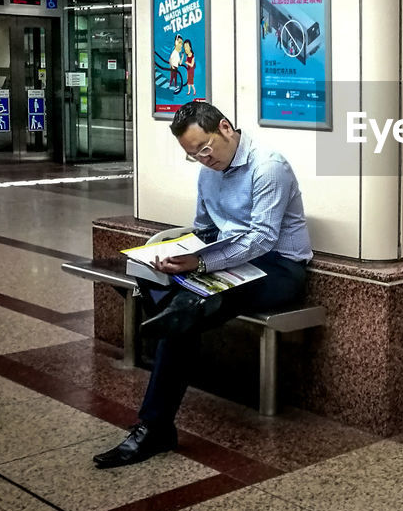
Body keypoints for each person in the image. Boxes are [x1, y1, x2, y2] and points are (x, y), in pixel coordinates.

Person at [93, 101, 311, 468]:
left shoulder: (269, 166)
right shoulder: (208, 172)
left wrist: (203, 262)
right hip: (228, 262)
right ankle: (171, 316)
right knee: (162, 285)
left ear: (225, 128)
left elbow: (262, 239)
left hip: (279, 267)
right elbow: (206, 229)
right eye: (193, 155)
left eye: (205, 149)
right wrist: (178, 254)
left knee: (187, 309)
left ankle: (155, 425)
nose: (203, 160)